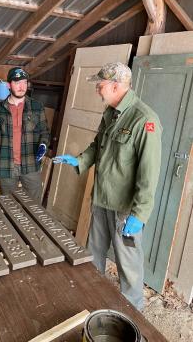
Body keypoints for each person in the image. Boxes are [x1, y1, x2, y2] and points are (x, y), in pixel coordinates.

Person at [53, 62, 162, 311]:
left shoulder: (144, 120)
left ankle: (132, 317)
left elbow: (149, 174)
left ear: (115, 86)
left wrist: (139, 214)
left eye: (100, 85)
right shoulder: (111, 113)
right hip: (102, 200)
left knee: (129, 268)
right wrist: (79, 160)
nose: (97, 90)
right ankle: (94, 302)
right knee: (93, 255)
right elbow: (97, 146)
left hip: (125, 210)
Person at [0, 67, 49, 201]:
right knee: (9, 205)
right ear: (9, 85)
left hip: (31, 163)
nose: (22, 87)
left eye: (24, 82)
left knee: (35, 206)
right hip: (6, 166)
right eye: (17, 83)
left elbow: (45, 132)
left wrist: (43, 145)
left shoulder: (37, 107)